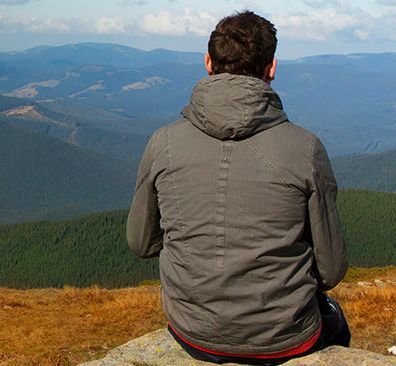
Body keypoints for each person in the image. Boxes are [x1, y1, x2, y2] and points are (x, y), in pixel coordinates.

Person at [125, 10, 351, 364]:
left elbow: (140, 243)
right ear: (271, 69)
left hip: (192, 333)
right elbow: (332, 269)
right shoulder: (305, 148)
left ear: (207, 63)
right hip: (285, 338)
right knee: (337, 324)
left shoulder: (163, 143)